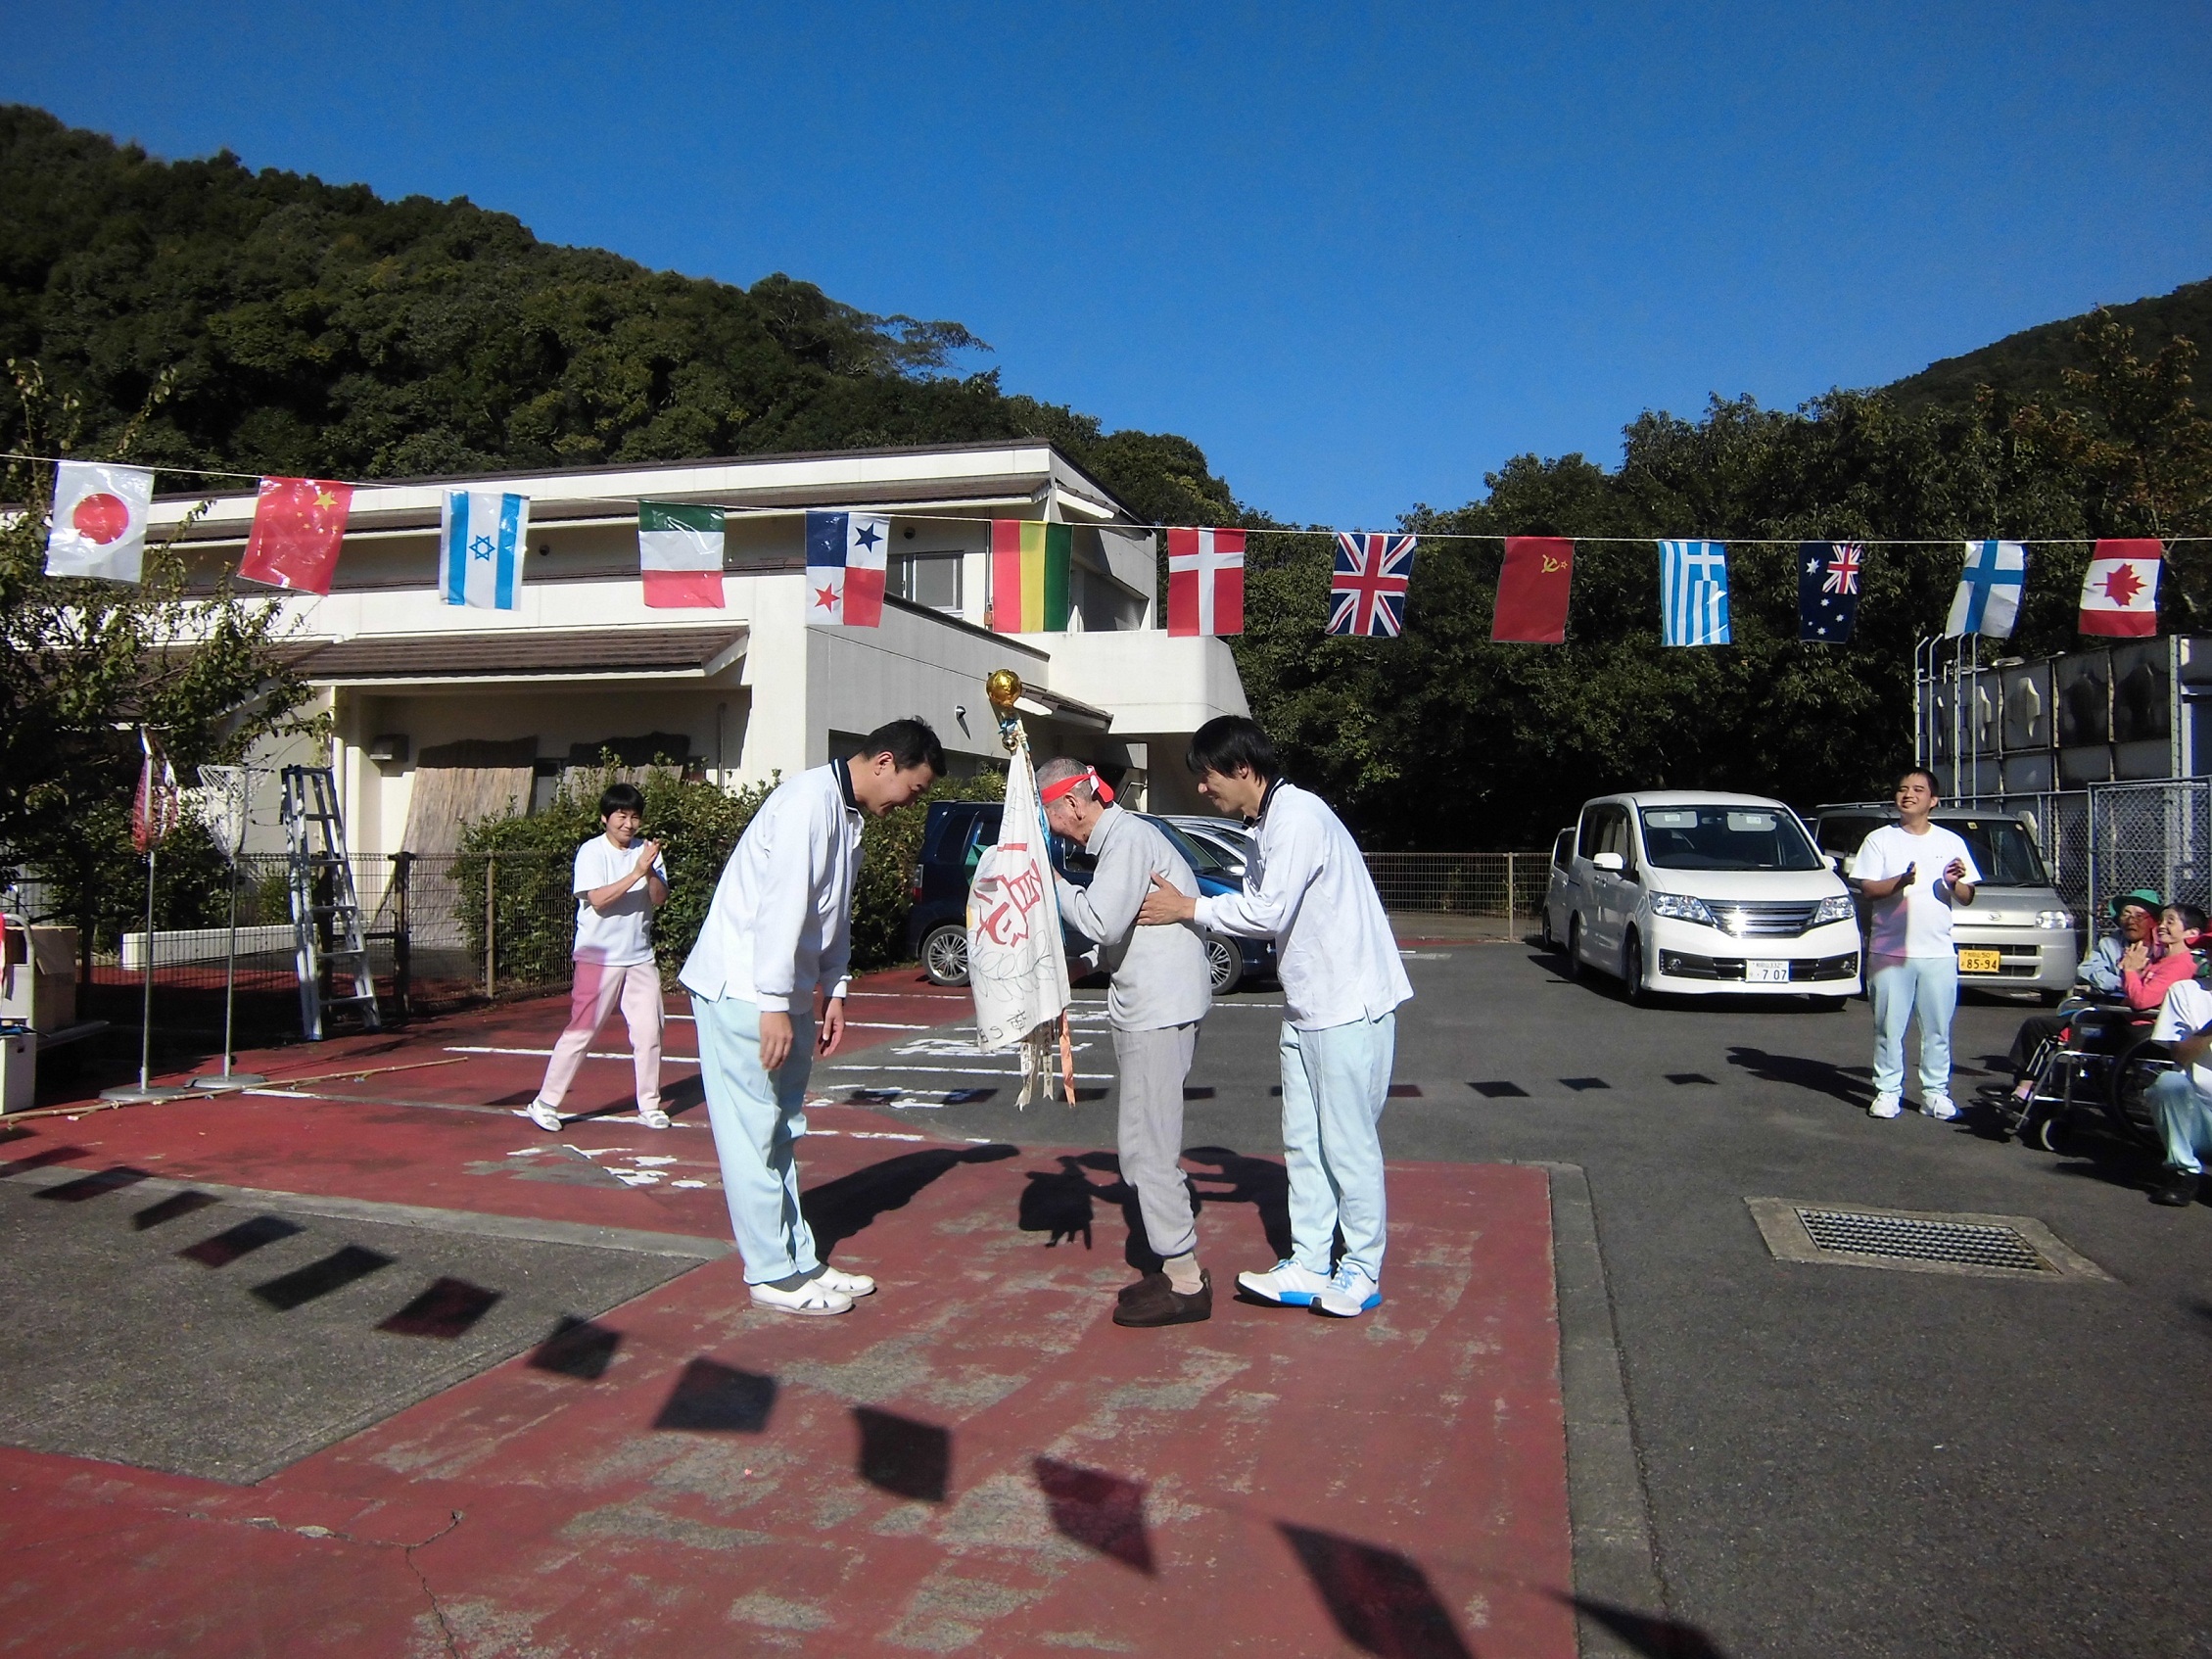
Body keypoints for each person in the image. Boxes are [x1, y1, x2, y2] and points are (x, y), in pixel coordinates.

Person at [1135, 716, 1412, 1320]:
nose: (1202, 788)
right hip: (1309, 1005)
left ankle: (1361, 1269)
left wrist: (1189, 908)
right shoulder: (1267, 824)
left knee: (1349, 1144)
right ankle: (1310, 1261)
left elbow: (1268, 912)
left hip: (1350, 1004)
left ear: (1243, 768)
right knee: (1304, 1141)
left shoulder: (1298, 817)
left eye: (1208, 776)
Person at [680, 718, 943, 1315]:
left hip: (782, 993)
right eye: (914, 789)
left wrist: (835, 988)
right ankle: (771, 1273)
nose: (909, 803)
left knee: (781, 1131)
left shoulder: (846, 815)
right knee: (752, 1136)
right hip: (743, 990)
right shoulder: (805, 802)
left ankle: (799, 1259)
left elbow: (832, 912)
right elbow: (780, 908)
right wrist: (774, 1004)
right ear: (885, 762)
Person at [1037, 758, 1215, 1328]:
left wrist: (1052, 883)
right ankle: (1177, 1266)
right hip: (1155, 1005)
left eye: (1048, 813)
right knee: (1142, 1143)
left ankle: (1184, 1278)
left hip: (1159, 1010)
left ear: (1072, 803)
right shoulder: (1126, 839)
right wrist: (1086, 963)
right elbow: (1123, 928)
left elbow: (1103, 922)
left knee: (1148, 1149)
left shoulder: (1127, 839)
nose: (1052, 828)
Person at [523, 782, 670, 1133]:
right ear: (605, 818)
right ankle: (545, 1103)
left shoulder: (647, 852)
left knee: (650, 1031)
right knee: (582, 1031)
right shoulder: (591, 852)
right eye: (621, 816)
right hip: (597, 956)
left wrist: (650, 870)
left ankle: (649, 1105)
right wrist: (636, 872)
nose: (628, 824)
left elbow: (660, 898)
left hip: (639, 956)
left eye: (635, 817)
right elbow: (599, 900)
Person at [1848, 768, 1980, 1120]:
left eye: (1918, 790)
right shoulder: (1880, 840)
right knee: (1888, 1028)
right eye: (1903, 789)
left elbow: (1967, 895)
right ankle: (1887, 1091)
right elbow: (1868, 888)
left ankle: (1935, 1094)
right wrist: (1901, 881)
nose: (1908, 795)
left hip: (1937, 952)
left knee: (1937, 1029)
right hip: (1891, 951)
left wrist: (1953, 883)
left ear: (1933, 800)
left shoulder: (1951, 842)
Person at [2000, 889, 2161, 1105]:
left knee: (2051, 1028)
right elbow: (2086, 970)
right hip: (2107, 1007)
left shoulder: (2162, 950)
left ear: (2153, 920)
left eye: (2139, 915)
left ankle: (2026, 1091)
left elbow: (2147, 992)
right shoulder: (2113, 943)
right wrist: (2122, 981)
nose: (2131, 920)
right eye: (2126, 913)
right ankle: (2025, 1088)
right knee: (2036, 1024)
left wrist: (2130, 979)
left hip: (2132, 1020)